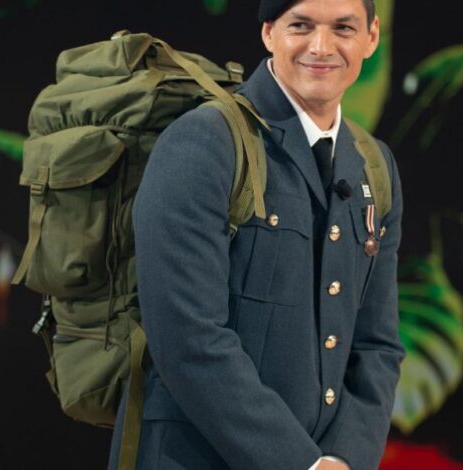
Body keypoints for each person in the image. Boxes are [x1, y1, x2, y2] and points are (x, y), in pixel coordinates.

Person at [108, 0, 405, 468]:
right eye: (300, 25)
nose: (321, 46)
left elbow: (377, 344)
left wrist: (346, 458)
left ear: (371, 37)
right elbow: (188, 340)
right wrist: (301, 464)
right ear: (268, 32)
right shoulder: (205, 140)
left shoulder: (374, 164)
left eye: (343, 28)